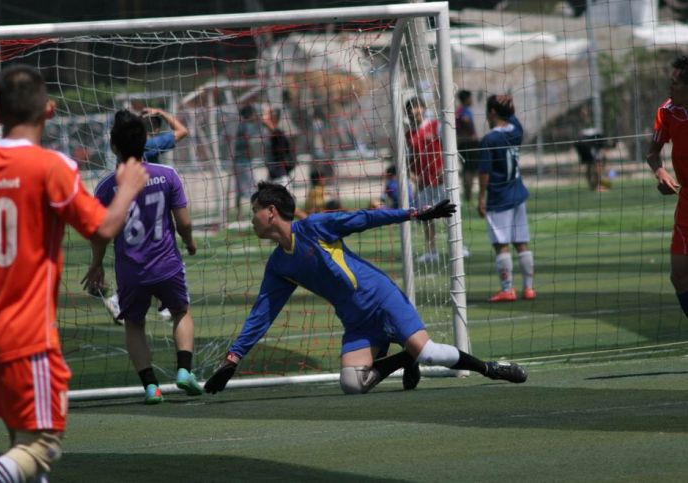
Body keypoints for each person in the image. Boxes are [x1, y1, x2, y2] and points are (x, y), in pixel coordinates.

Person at [0, 64, 148, 483]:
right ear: (50, 111)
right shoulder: (53, 167)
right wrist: (127, 188)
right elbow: (103, 227)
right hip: (26, 333)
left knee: (21, 443)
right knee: (42, 445)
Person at [203, 182, 527, 396]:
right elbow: (263, 313)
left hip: (381, 298)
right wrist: (233, 359)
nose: (251, 220)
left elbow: (364, 218)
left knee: (429, 353)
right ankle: (404, 358)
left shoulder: (313, 227)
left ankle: (490, 368)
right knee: (351, 384)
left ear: (270, 212)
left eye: (253, 212)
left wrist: (415, 213)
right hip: (356, 321)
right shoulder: (278, 265)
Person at [83, 110, 202, 404]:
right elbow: (183, 221)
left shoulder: (106, 186)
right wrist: (188, 242)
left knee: (135, 324)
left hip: (131, 271)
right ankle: (184, 370)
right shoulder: (167, 175)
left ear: (113, 147)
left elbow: (99, 232)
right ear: (147, 140)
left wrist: (96, 264)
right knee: (181, 311)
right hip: (167, 265)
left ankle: (150, 386)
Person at [477, 95, 535, 302]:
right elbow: (513, 117)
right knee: (521, 242)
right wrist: (508, 105)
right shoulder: (516, 131)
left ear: (492, 112)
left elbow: (485, 171)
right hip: (518, 194)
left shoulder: (490, 139)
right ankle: (529, 288)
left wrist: (481, 197)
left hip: (499, 197)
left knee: (501, 244)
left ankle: (507, 289)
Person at [647, 55, 688, 320]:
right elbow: (652, 152)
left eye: (674, 82)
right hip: (686, 204)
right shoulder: (667, 111)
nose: (669, 87)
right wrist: (660, 171)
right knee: (679, 275)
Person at [405, 97, 443, 263]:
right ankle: (432, 250)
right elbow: (408, 158)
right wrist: (412, 176)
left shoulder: (435, 126)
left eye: (417, 107)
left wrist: (446, 170)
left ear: (424, 108)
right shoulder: (408, 134)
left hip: (441, 178)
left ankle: (459, 246)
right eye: (411, 109)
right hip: (422, 182)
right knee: (426, 216)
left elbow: (448, 147)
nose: (415, 111)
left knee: (450, 211)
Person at [456, 90, 481, 202]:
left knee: (467, 169)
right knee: (470, 170)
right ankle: (468, 195)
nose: (472, 100)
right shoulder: (464, 112)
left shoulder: (459, 111)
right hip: (469, 143)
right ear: (466, 99)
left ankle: (468, 195)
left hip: (462, 143)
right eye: (470, 98)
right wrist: (473, 134)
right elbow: (466, 122)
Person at [233, 105, 258, 214]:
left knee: (238, 188)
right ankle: (257, 210)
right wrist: (249, 152)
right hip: (244, 162)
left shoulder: (237, 125)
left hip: (237, 161)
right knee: (252, 187)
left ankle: (238, 214)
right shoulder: (246, 126)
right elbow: (247, 141)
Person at [263, 106, 295, 188]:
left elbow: (282, 155)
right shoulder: (269, 133)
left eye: (265, 114)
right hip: (274, 175)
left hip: (280, 176)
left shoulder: (278, 134)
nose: (262, 116)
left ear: (273, 118)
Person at [575, 128, 609, 192]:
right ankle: (599, 186)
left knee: (588, 164)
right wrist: (604, 165)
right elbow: (604, 155)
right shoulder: (605, 140)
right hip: (587, 144)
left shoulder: (599, 133)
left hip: (578, 142)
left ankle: (591, 185)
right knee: (598, 165)